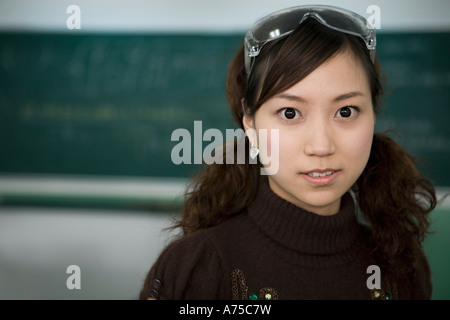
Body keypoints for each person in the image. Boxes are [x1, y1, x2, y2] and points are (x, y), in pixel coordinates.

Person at [140, 5, 437, 300]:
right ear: (251, 124)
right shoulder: (196, 267)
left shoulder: (401, 268)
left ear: (373, 115)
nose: (321, 146)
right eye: (290, 113)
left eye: (346, 111)